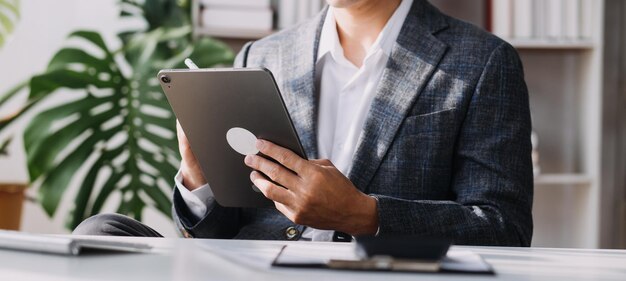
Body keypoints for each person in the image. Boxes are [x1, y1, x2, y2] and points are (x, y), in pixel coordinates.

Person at [74, 0, 533, 246]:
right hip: (253, 268)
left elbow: (502, 227)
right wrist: (197, 175)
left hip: (373, 268)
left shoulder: (482, 62)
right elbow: (217, 231)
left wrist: (364, 215)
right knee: (100, 236)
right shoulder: (262, 56)